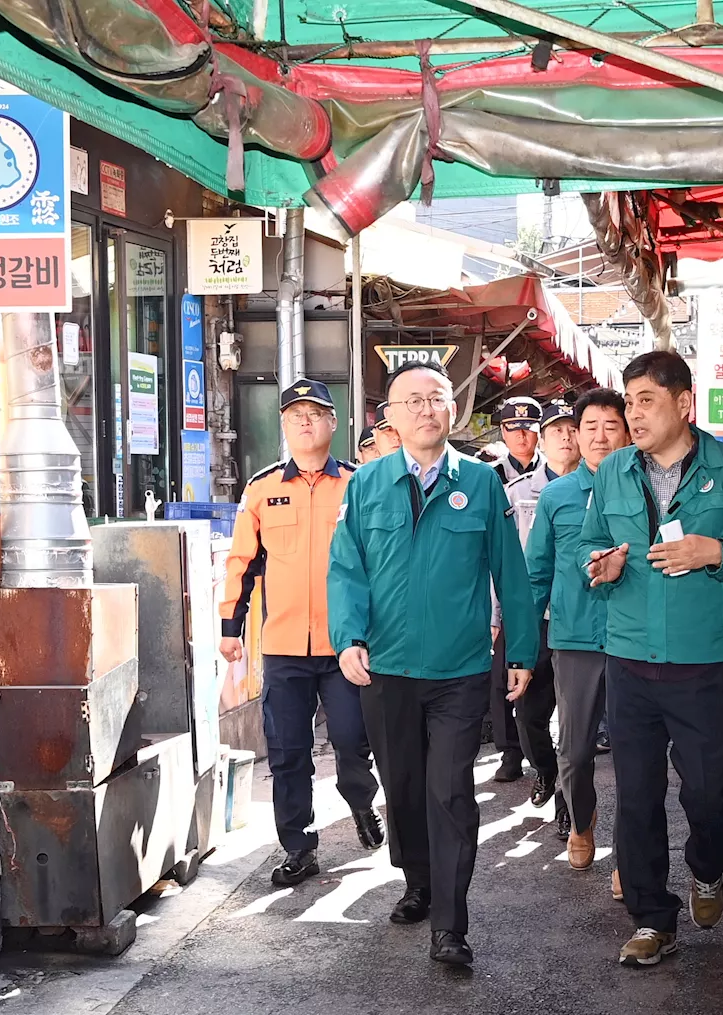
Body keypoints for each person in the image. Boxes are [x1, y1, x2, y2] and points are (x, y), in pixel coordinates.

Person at [327, 359, 539, 967]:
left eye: (437, 398)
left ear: (454, 411)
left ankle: (450, 923)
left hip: (460, 671)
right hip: (386, 668)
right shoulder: (366, 486)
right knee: (403, 786)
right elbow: (346, 570)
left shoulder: (482, 483)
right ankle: (417, 878)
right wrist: (348, 638)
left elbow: (511, 572)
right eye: (412, 401)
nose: (426, 409)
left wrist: (520, 651)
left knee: (451, 792)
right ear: (389, 418)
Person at [579, 351, 723, 967]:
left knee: (709, 791)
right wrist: (599, 565)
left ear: (684, 404)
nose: (631, 413)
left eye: (645, 400)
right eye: (628, 400)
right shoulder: (612, 474)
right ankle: (650, 918)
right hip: (630, 659)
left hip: (703, 662)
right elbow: (589, 543)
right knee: (635, 796)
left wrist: (713, 549)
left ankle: (708, 868)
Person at [219, 378, 384, 888]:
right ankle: (299, 845)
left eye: (316, 414)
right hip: (286, 645)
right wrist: (231, 626)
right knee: (288, 751)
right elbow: (241, 563)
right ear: (284, 425)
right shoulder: (263, 489)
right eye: (295, 415)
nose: (305, 422)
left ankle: (360, 802)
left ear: (334, 424)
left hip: (347, 646)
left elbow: (381, 564)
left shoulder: (362, 484)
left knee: (354, 743)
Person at [527, 388, 631, 869]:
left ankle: (628, 856)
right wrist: (522, 647)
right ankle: (582, 824)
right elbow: (536, 573)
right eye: (589, 427)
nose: (600, 437)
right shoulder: (556, 495)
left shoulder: (644, 487)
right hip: (575, 640)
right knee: (574, 750)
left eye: (611, 426)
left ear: (628, 431)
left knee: (636, 754)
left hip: (636, 639)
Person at [489, 400, 580, 828]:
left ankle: (568, 798)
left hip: (580, 621)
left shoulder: (602, 488)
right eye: (556, 430)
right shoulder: (516, 492)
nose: (565, 436)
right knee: (527, 714)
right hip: (530, 620)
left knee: (576, 719)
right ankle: (543, 768)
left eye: (570, 429)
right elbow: (496, 560)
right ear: (543, 440)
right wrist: (495, 615)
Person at [487, 395, 546, 782]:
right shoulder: (489, 477)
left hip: (543, 594)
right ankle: (508, 752)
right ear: (503, 433)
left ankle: (540, 752)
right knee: (499, 680)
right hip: (504, 592)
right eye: (513, 428)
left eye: (528, 428)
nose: (521, 436)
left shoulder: (557, 474)